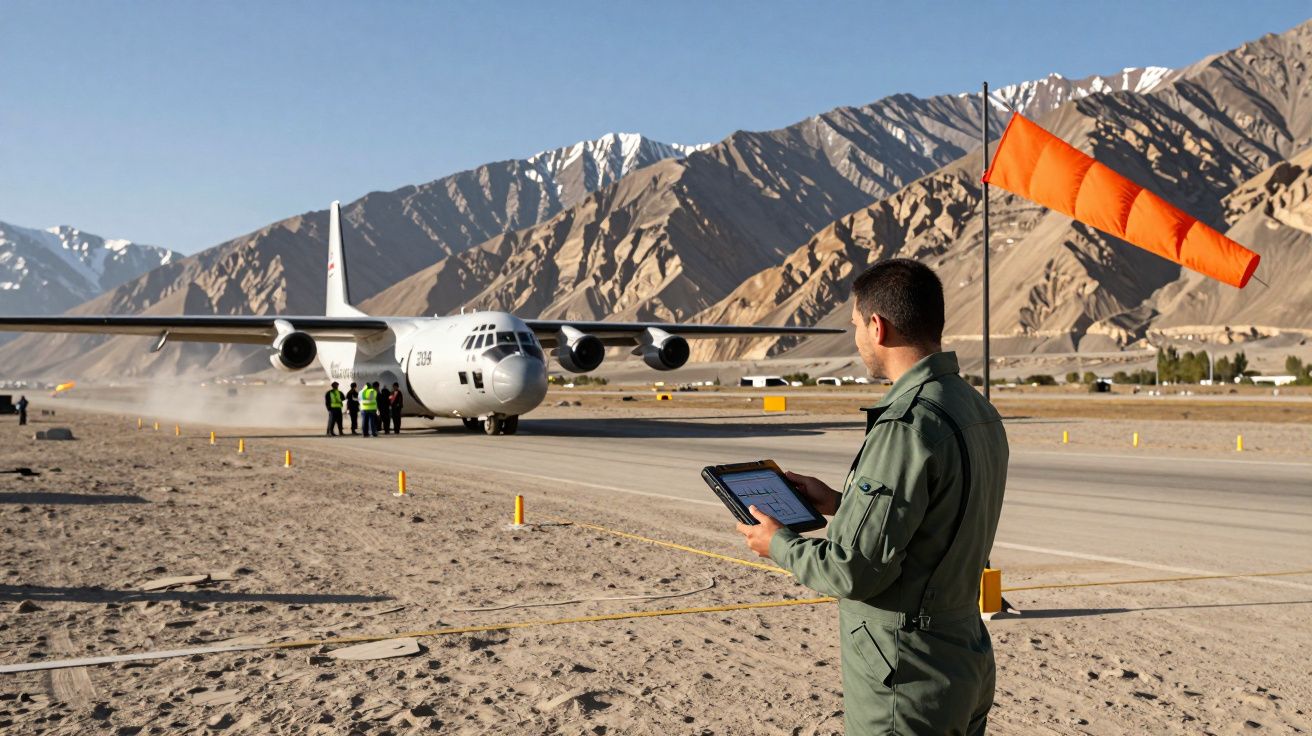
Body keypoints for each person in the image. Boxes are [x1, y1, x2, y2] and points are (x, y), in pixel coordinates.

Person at [735, 259, 1009, 735]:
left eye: (856, 324)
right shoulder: (974, 408)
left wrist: (777, 543)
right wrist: (843, 504)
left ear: (877, 327)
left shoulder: (909, 425)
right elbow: (939, 519)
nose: (856, 336)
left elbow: (852, 571)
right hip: (964, 656)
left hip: (907, 678)